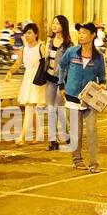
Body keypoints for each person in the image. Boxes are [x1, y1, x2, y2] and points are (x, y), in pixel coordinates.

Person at [57, 22, 106, 172]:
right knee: (76, 133)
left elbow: (102, 78)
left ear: (92, 35)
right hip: (72, 98)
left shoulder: (98, 58)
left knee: (92, 132)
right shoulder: (72, 52)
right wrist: (61, 85)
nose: (80, 35)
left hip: (89, 100)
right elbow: (61, 65)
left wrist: (103, 85)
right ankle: (77, 160)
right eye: (79, 33)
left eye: (84, 33)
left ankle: (94, 163)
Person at [5, 23, 47, 145]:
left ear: (36, 34)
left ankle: (22, 136)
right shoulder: (24, 49)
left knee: (30, 106)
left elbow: (46, 63)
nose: (27, 36)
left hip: (38, 79)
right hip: (28, 78)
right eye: (25, 33)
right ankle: (38, 135)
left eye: (30, 33)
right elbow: (18, 63)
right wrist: (10, 72)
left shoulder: (41, 47)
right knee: (32, 108)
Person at [41, 15, 72, 152]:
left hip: (61, 82)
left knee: (58, 109)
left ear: (63, 26)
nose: (54, 26)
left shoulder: (68, 45)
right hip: (49, 79)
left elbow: (70, 64)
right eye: (53, 23)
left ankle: (67, 135)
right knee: (51, 110)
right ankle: (53, 141)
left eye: (57, 24)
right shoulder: (49, 42)